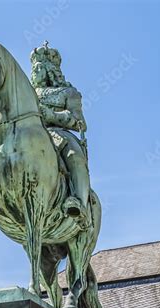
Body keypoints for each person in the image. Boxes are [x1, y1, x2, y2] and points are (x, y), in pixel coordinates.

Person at [30, 42, 91, 228]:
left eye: (38, 68)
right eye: (33, 69)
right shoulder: (26, 93)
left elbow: (79, 122)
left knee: (75, 156)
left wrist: (52, 115)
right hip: (29, 134)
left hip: (59, 136)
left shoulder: (68, 93)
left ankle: (78, 203)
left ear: (49, 70)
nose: (34, 72)